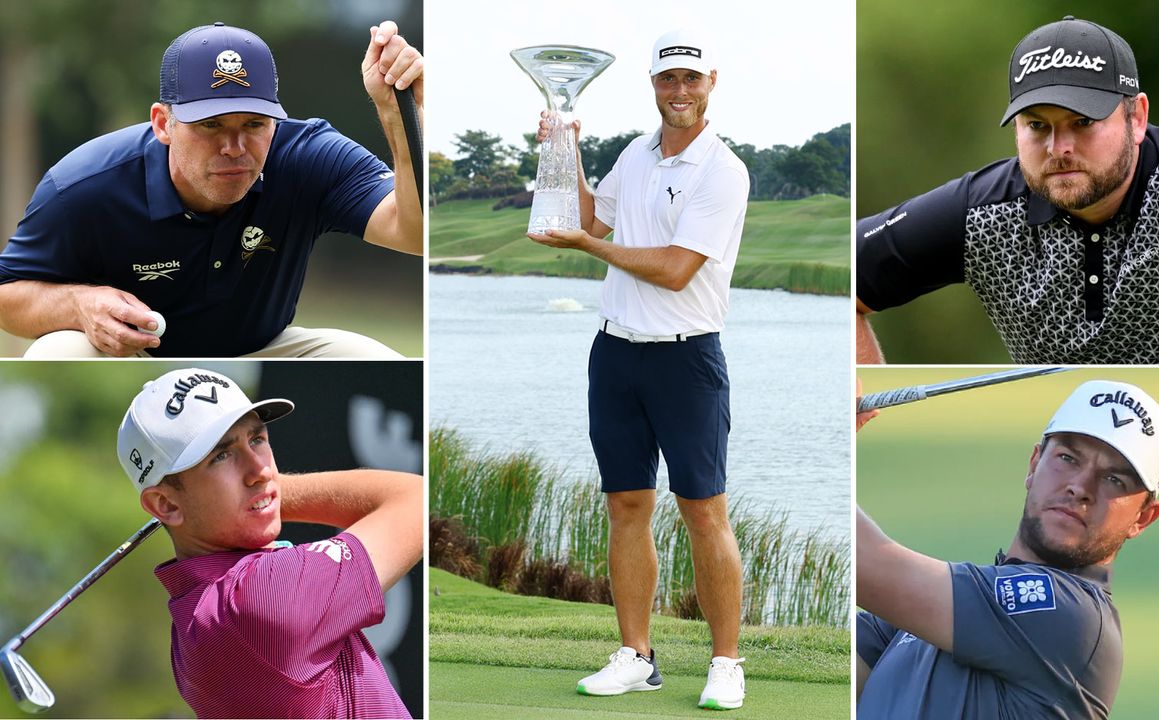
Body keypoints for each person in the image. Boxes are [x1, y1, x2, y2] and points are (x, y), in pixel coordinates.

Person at [528, 28, 751, 711]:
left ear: (710, 82)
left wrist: (590, 243)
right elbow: (594, 212)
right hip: (616, 353)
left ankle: (725, 663)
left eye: (690, 79)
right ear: (654, 84)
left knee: (703, 513)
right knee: (627, 505)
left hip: (687, 357)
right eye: (667, 79)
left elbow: (678, 270)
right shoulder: (637, 153)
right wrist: (562, 152)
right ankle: (636, 655)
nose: (678, 90)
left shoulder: (723, 168)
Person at [856, 15, 1159, 364]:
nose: (1059, 148)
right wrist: (862, 399)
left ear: (1136, 118)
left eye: (1083, 122)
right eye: (1038, 125)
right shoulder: (984, 210)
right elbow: (841, 280)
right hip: (1067, 459)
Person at [0, 20, 423, 358]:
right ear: (164, 124)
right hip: (128, 357)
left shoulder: (307, 154)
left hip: (266, 350)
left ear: (275, 121)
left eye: (254, 125)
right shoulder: (83, 186)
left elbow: (415, 233)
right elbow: (7, 294)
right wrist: (77, 305)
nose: (234, 148)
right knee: (60, 351)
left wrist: (397, 115)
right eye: (211, 125)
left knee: (381, 363)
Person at [854, 377, 1159, 718]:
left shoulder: (1073, 617)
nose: (1080, 487)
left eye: (1114, 479)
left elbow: (865, 565)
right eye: (1067, 458)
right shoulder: (930, 619)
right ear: (1034, 464)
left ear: (1143, 518)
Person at [117, 367, 423, 717]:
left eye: (257, 439)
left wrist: (253, 497)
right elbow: (415, 499)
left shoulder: (191, 618)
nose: (260, 469)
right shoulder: (262, 596)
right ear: (165, 504)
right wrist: (271, 494)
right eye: (221, 455)